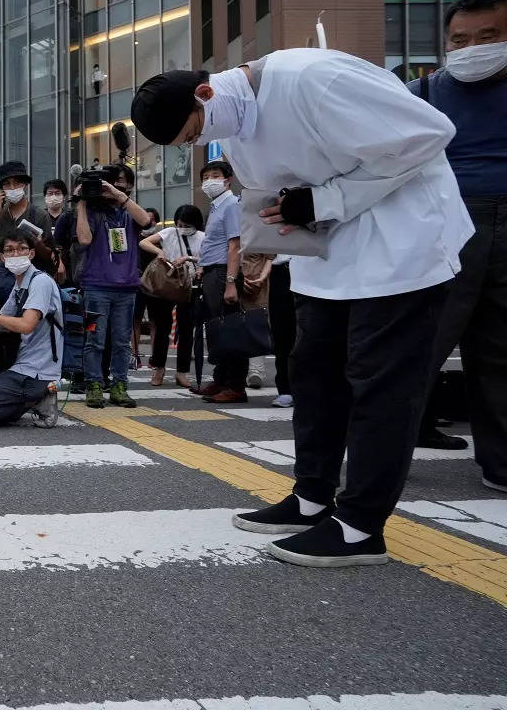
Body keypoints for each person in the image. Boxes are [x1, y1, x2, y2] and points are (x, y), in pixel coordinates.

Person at [132, 46, 473, 567]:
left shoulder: (313, 78)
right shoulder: (237, 120)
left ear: (205, 94)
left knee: (380, 383)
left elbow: (428, 134)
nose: (198, 146)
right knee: (313, 373)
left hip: (399, 245)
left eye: (193, 133)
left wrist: (322, 201)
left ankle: (362, 525)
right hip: (324, 254)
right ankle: (312, 497)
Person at [410, 0, 507, 473]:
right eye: (460, 40)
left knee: (499, 351)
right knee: (420, 342)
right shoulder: (421, 92)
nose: (473, 48)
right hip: (446, 219)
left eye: (488, 37)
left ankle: (501, 465)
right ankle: (375, 461)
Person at [0, 229, 65, 429]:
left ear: (31, 253)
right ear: (1, 257)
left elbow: (26, 325)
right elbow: (0, 317)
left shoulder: (40, 282)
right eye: (9, 250)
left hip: (35, 369)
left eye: (22, 249)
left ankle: (36, 398)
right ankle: (10, 395)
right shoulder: (20, 284)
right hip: (16, 359)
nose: (16, 255)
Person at [71, 165, 152, 409]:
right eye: (107, 183)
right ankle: (93, 384)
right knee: (93, 339)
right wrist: (82, 201)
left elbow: (146, 220)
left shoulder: (128, 212)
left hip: (126, 288)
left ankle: (119, 385)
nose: (109, 187)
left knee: (120, 341)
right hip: (95, 287)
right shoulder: (93, 212)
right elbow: (84, 239)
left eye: (117, 182)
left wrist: (117, 195)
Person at [190, 160, 248, 404]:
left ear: (228, 180)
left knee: (231, 328)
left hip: (225, 272)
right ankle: (220, 379)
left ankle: (235, 385)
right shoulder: (216, 207)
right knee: (218, 329)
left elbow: (235, 245)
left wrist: (232, 282)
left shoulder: (232, 205)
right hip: (213, 272)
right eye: (205, 177)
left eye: (214, 176)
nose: (208, 181)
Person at [139, 204, 204, 388]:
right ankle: (158, 369)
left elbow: (209, 257)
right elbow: (144, 242)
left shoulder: (203, 237)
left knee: (186, 330)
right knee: (161, 329)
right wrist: (160, 251)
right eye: (180, 223)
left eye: (187, 224)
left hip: (190, 286)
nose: (183, 227)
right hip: (166, 284)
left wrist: (189, 259)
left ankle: (182, 372)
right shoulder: (169, 232)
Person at [0, 161, 56, 311]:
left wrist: (38, 245)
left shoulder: (39, 215)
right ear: (2, 189)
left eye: (17, 183)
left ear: (25, 184)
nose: (12, 188)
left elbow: (49, 256)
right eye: (7, 184)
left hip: (29, 285)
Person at [131, 207, 162, 370]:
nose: (148, 223)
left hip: (155, 286)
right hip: (135, 284)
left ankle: (155, 357)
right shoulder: (133, 239)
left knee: (154, 321)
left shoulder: (160, 240)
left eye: (151, 220)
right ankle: (134, 355)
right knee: (135, 320)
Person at [242, 252, 275, 389]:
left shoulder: (263, 231)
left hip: (257, 283)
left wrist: (262, 278)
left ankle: (256, 371)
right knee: (234, 326)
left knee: (256, 325)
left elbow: (270, 258)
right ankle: (236, 371)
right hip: (234, 279)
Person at [267, 254, 295, 408]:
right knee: (281, 334)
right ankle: (285, 389)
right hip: (280, 269)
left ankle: (307, 388)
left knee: (311, 333)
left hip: (311, 267)